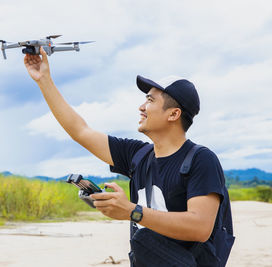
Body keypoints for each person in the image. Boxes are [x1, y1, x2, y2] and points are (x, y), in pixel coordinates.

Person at [24, 47, 234, 266]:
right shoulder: (138, 155)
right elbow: (80, 131)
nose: (141, 107)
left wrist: (132, 212)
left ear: (174, 114)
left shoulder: (202, 159)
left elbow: (200, 228)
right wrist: (44, 80)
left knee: (144, 237)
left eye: (151, 101)